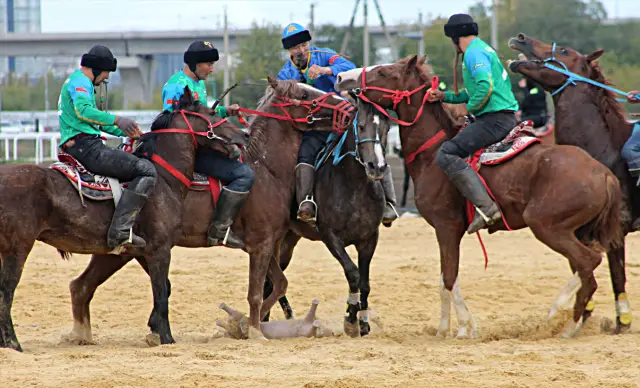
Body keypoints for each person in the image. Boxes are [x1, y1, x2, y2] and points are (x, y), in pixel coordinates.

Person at [277, 22, 400, 227]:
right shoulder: (285, 74)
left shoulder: (325, 54)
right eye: (296, 47)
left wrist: (325, 70)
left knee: (372, 142)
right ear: (289, 50)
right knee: (305, 152)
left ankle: (389, 202)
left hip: (343, 117)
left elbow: (349, 68)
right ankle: (306, 201)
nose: (301, 50)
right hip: (315, 125)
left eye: (304, 45)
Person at [427, 13, 519, 234]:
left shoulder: (473, 54)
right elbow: (473, 90)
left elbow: (485, 87)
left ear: (455, 37)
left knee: (446, 153)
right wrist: (444, 96)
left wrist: (467, 109)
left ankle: (487, 208)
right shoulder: (482, 48)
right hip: (502, 116)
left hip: (495, 120)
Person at [58, 45, 157, 250]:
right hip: (87, 148)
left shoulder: (80, 82)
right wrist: (118, 119)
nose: (105, 78)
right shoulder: (81, 82)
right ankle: (120, 231)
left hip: (83, 144)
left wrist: (130, 133)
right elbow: (84, 111)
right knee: (146, 171)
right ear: (95, 69)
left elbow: (96, 122)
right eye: (105, 73)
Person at [161, 40, 253, 249]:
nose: (212, 69)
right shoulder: (176, 87)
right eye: (208, 64)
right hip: (191, 153)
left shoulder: (198, 83)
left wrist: (224, 112)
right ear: (194, 64)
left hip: (204, 145)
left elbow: (202, 117)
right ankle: (219, 230)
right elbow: (172, 124)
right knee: (244, 175)